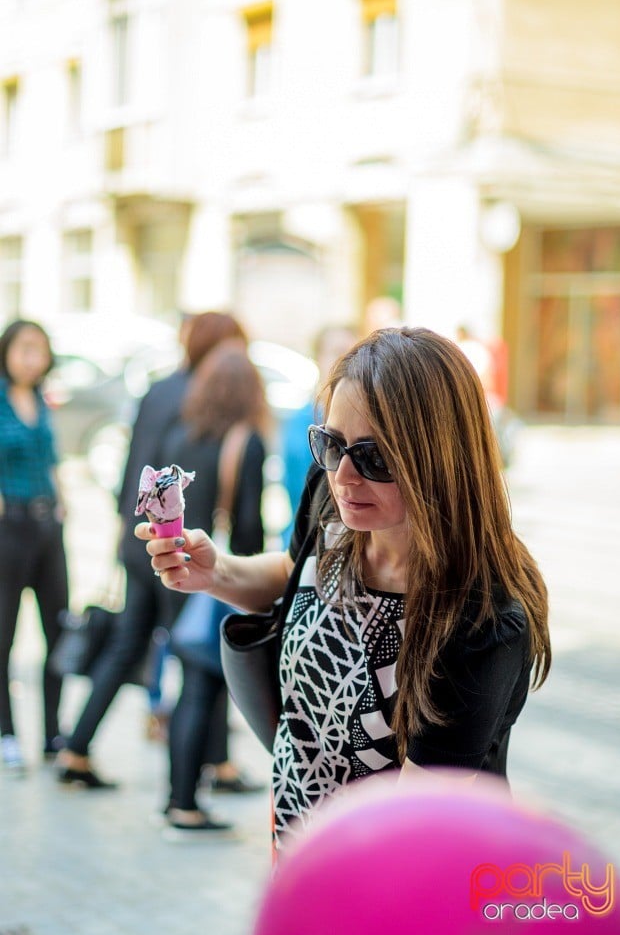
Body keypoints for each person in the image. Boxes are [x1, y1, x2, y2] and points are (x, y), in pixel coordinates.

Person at [136, 326, 551, 854]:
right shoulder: (331, 501)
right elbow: (293, 575)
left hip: (385, 881)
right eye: (331, 444)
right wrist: (216, 574)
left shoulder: (479, 621)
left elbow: (413, 826)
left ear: (441, 458)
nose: (345, 476)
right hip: (298, 844)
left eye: (374, 456)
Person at [56, 311, 246, 787]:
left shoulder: (159, 389)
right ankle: (205, 774)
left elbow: (133, 467)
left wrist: (124, 528)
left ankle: (76, 749)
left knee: (127, 646)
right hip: (179, 548)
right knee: (200, 654)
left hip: (138, 537)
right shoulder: (207, 396)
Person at [159, 339, 268, 835]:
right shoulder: (246, 441)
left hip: (179, 572)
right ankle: (184, 803)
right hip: (220, 577)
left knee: (191, 688)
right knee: (203, 689)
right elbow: (248, 523)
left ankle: (180, 796)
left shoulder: (183, 434)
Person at [0, 319, 69, 771]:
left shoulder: (42, 402)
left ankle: (51, 732)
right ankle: (6, 731)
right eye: (24, 349)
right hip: (10, 526)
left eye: (39, 350)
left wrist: (64, 500)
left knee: (58, 630)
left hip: (48, 525)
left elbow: (52, 459)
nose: (32, 358)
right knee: (4, 635)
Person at [280, 324, 358, 544]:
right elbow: (301, 490)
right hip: (309, 541)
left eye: (353, 352)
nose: (346, 360)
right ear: (317, 358)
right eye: (337, 352)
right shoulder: (302, 423)